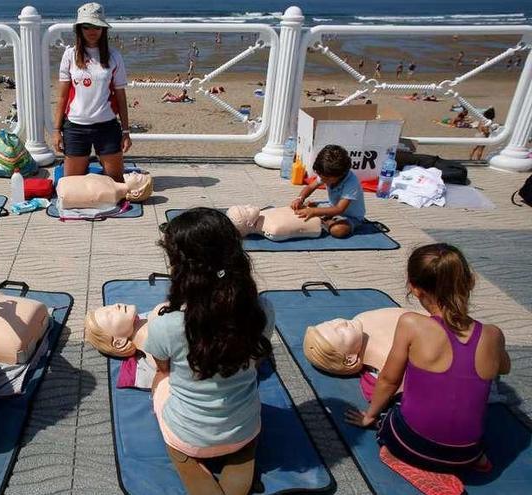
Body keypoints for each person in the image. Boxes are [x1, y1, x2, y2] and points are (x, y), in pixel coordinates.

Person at [346, 243, 510, 477]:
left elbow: (389, 380)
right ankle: (473, 459)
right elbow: (504, 368)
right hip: (467, 453)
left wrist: (369, 416)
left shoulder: (411, 324)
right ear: (470, 281)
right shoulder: (493, 334)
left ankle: (405, 454)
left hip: (411, 445)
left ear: (414, 288)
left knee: (391, 402)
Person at [146, 207, 273, 495]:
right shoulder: (261, 311)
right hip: (244, 428)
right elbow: (259, 360)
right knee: (244, 415)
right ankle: (241, 454)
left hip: (188, 434)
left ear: (180, 268)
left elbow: (163, 370)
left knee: (161, 384)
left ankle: (189, 459)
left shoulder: (167, 325)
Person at [53, 2, 132, 183]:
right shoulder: (69, 55)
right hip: (75, 127)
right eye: (87, 26)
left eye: (97, 26)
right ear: (79, 29)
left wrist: (126, 131)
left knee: (116, 183)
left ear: (103, 29)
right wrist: (57, 131)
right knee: (72, 185)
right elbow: (62, 96)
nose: (92, 30)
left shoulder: (114, 56)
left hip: (107, 127)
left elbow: (121, 96)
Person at [290, 144, 366, 239]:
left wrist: (314, 211)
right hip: (332, 207)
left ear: (340, 174)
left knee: (338, 230)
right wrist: (300, 198)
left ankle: (323, 220)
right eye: (321, 177)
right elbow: (310, 187)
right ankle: (323, 218)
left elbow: (340, 209)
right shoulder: (326, 173)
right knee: (304, 206)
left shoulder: (351, 182)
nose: (322, 180)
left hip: (349, 216)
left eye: (325, 179)